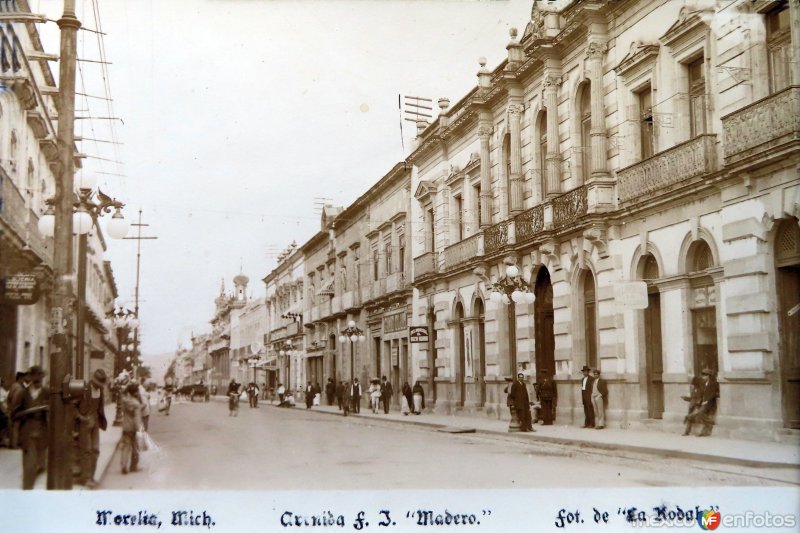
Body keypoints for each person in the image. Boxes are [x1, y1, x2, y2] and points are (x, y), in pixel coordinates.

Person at [12, 366, 48, 489]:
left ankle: (29, 490)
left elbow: (54, 412)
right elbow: (13, 414)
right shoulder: (23, 394)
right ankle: (27, 492)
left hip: (43, 434)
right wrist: (26, 412)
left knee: (40, 467)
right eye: (36, 379)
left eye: (41, 379)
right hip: (28, 434)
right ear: (31, 378)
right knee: (29, 466)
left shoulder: (46, 393)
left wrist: (47, 410)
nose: (39, 382)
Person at [76, 369, 109, 488]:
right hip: (84, 424)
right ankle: (86, 478)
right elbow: (72, 406)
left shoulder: (100, 390)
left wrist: (99, 421)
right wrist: (81, 417)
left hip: (95, 423)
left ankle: (91, 476)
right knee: (86, 451)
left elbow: (99, 407)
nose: (100, 385)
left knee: (95, 450)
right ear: (93, 380)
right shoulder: (83, 389)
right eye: (98, 383)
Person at [120, 383, 143, 475]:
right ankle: (133, 466)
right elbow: (137, 418)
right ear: (135, 393)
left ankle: (124, 465)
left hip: (126, 426)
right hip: (134, 428)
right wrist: (140, 430)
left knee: (126, 447)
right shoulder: (136, 404)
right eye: (137, 390)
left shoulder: (125, 401)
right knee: (135, 447)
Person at [694, 368, 719, 437]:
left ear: (708, 376)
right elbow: (701, 393)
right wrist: (699, 401)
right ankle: (708, 426)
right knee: (698, 414)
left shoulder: (713, 383)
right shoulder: (703, 383)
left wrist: (706, 401)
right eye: (703, 375)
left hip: (710, 402)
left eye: (705, 375)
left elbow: (713, 394)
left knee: (700, 413)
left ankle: (709, 424)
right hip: (703, 402)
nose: (703, 376)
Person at [7, 371, 30, 449]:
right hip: (16, 409)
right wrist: (16, 409)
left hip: (11, 408)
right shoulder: (18, 387)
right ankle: (14, 444)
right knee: (16, 427)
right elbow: (16, 400)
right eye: (24, 378)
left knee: (13, 427)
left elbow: (9, 398)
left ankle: (12, 443)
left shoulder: (13, 385)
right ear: (20, 378)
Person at [0, 377, 9, 447]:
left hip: (2, 411)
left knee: (3, 426)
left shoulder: (3, 391)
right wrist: (5, 412)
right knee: (3, 426)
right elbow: (1, 403)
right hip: (1, 412)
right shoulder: (1, 392)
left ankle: (2, 440)